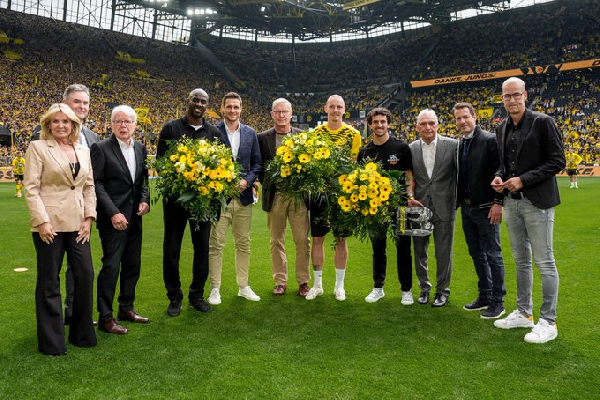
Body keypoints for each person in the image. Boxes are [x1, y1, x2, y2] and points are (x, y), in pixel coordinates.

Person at [491, 77, 565, 343]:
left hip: (537, 201)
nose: (511, 100)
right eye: (507, 96)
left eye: (516, 95)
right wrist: (500, 178)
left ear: (525, 95)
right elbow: (504, 165)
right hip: (512, 201)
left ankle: (549, 321)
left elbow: (558, 161)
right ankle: (524, 313)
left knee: (544, 261)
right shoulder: (501, 128)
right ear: (502, 99)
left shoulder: (542, 122)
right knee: (521, 261)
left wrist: (524, 179)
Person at [24, 103, 97, 355]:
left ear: (74, 125)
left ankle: (82, 333)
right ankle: (52, 342)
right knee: (49, 282)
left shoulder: (83, 150)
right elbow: (31, 188)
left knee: (85, 275)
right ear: (48, 125)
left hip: (79, 224)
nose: (61, 125)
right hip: (49, 226)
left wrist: (89, 218)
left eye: (66, 121)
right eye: (55, 121)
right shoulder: (37, 148)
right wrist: (42, 221)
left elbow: (88, 187)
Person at [157, 88, 221, 317]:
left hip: (202, 203)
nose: (199, 104)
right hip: (175, 203)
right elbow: (162, 164)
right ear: (188, 101)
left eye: (203, 101)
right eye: (195, 99)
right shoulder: (171, 128)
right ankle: (174, 297)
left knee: (202, 249)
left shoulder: (214, 132)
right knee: (171, 249)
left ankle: (196, 295)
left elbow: (224, 164)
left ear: (207, 105)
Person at [91, 105, 150, 335]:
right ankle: (106, 317)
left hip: (135, 218)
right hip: (112, 219)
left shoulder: (141, 148)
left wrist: (145, 200)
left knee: (132, 265)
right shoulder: (100, 148)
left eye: (127, 121)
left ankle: (126, 308)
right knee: (111, 266)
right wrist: (112, 212)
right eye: (118, 121)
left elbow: (143, 182)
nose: (123, 125)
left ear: (135, 125)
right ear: (112, 125)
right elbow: (96, 184)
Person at [208, 93, 262, 305]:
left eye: (236, 107)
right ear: (222, 108)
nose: (232, 110)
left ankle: (243, 286)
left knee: (243, 244)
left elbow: (257, 164)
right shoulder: (212, 132)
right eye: (229, 106)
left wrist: (247, 181)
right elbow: (208, 161)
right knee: (216, 245)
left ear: (241, 108)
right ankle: (215, 288)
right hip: (219, 198)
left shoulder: (250, 133)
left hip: (243, 198)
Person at [306, 95, 362, 301]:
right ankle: (318, 285)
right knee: (318, 238)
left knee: (341, 239)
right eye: (332, 107)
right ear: (325, 108)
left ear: (344, 109)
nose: (336, 110)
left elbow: (353, 164)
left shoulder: (353, 134)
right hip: (320, 192)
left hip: (342, 195)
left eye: (339, 107)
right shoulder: (316, 133)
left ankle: (340, 286)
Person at [358, 108, 416, 305]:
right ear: (370, 124)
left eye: (383, 121)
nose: (380, 125)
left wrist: (409, 196)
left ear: (389, 123)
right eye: (376, 122)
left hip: (401, 207)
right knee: (378, 248)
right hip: (376, 208)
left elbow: (409, 175)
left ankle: (406, 290)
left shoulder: (401, 147)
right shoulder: (365, 152)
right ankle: (378, 287)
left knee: (404, 248)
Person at [453, 103, 506, 319]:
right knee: (477, 254)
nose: (462, 121)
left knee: (493, 255)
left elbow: (501, 172)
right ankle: (484, 296)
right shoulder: (460, 144)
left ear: (475, 117)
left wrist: (498, 202)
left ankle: (498, 301)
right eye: (458, 118)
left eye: (466, 117)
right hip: (468, 208)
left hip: (487, 207)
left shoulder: (490, 140)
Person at [258, 98, 311, 297]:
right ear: (272, 114)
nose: (281, 115)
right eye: (277, 111)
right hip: (275, 196)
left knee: (302, 240)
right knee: (276, 241)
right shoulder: (262, 138)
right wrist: (268, 183)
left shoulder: (302, 136)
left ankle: (303, 281)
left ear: (291, 114)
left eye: (285, 112)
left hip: (298, 197)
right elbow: (259, 165)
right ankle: (280, 281)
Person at [409, 109, 458, 307]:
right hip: (418, 205)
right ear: (417, 127)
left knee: (443, 252)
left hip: (445, 206)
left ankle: (442, 291)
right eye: (424, 124)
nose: (428, 127)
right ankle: (424, 288)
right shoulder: (410, 148)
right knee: (419, 251)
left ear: (438, 125)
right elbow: (408, 176)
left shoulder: (453, 145)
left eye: (432, 123)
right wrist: (410, 197)